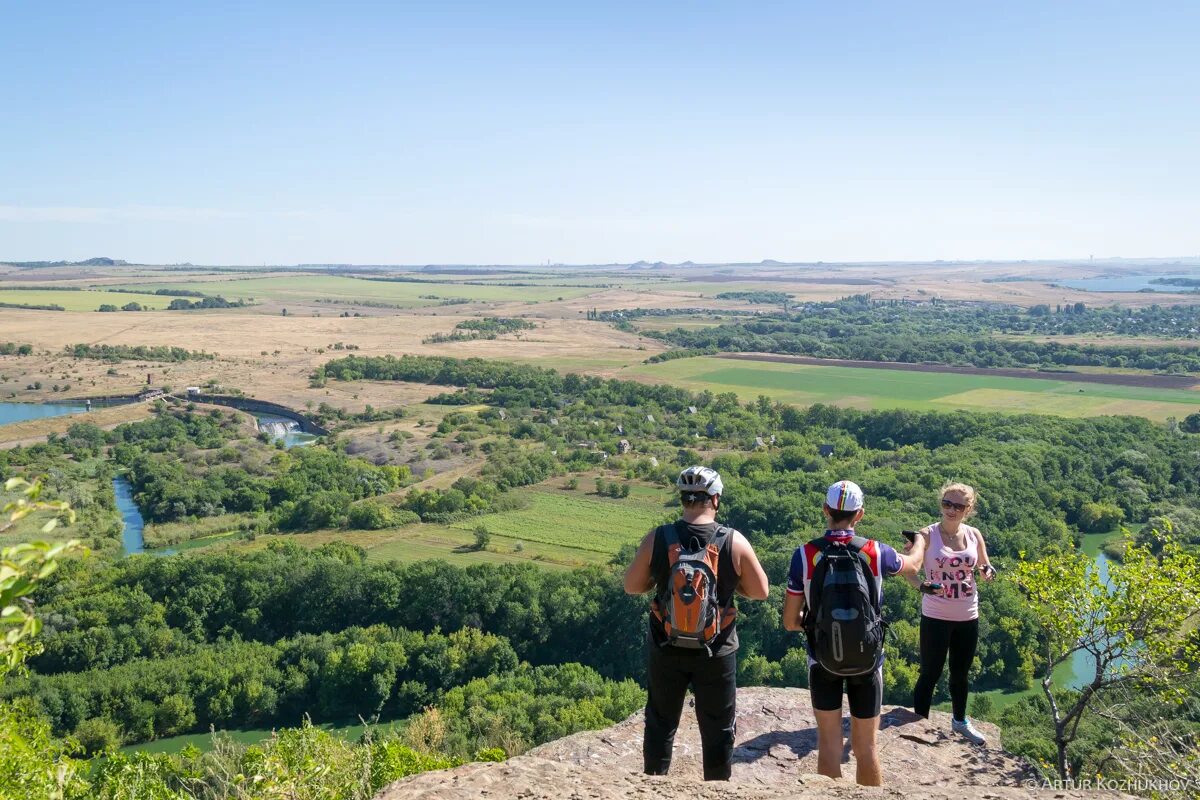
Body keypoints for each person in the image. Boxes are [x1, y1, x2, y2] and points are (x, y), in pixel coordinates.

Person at [624, 465, 770, 781]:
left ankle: (654, 782)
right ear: (715, 499)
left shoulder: (658, 538)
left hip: (667, 647)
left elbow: (632, 585)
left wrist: (658, 580)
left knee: (661, 721)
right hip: (716, 651)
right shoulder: (734, 541)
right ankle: (716, 787)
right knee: (718, 726)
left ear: (683, 499)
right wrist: (732, 586)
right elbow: (761, 592)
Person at [782, 480, 920, 786]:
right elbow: (913, 565)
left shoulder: (805, 555)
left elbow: (790, 621)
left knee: (829, 743)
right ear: (859, 515)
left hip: (823, 661)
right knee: (866, 747)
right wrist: (920, 542)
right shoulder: (875, 552)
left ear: (825, 511)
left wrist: (815, 622)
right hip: (868, 661)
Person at [908, 482, 995, 745]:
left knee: (960, 673)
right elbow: (909, 568)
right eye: (947, 503)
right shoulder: (926, 535)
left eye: (958, 506)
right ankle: (918, 724)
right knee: (930, 673)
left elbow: (984, 564)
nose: (951, 509)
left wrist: (987, 571)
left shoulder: (973, 534)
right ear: (941, 504)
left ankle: (960, 722)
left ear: (968, 509)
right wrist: (922, 586)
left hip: (968, 614)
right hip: (935, 615)